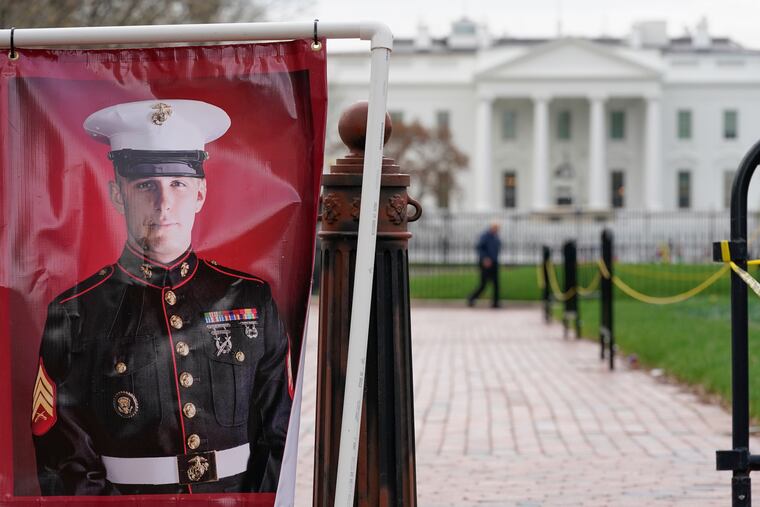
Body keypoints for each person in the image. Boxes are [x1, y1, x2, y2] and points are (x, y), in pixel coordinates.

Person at [30, 99, 292, 495]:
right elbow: (62, 456)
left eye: (178, 185)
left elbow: (280, 432)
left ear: (201, 195)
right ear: (117, 195)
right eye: (145, 185)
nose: (164, 203)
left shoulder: (250, 299)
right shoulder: (75, 313)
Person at [467, 221, 502, 308]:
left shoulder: (495, 237)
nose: (497, 229)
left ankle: (495, 303)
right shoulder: (485, 236)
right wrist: (485, 258)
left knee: (496, 283)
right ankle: (471, 298)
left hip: (494, 262)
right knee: (483, 284)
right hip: (486, 263)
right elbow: (479, 248)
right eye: (495, 227)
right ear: (491, 227)